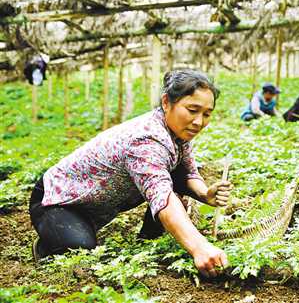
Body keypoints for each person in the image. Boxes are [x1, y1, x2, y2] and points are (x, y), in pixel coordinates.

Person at [29, 69, 232, 278]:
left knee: (169, 179)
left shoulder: (178, 133)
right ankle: (47, 245)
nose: (199, 122)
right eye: (192, 110)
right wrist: (200, 247)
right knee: (80, 250)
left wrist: (205, 194)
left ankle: (148, 243)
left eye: (206, 114)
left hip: (93, 205)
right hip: (56, 200)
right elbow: (162, 195)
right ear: (166, 102)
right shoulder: (146, 139)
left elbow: (186, 173)